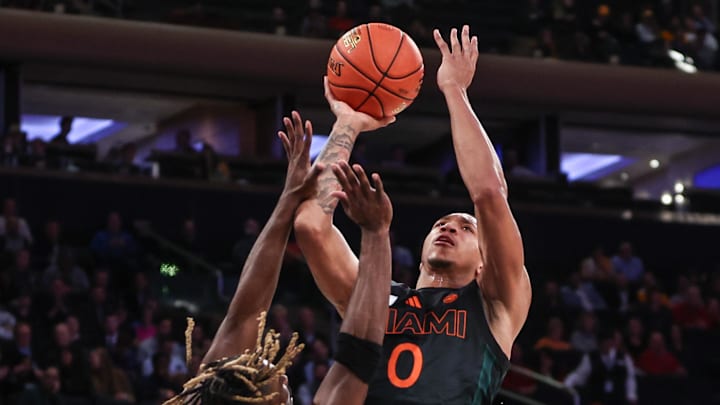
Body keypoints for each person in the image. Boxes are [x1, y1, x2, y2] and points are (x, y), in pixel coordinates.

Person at [293, 25, 532, 403]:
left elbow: (488, 193)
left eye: (465, 228)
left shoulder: (496, 303)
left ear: (485, 262)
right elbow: (310, 227)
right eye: (441, 223)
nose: (449, 228)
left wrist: (455, 90)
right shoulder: (374, 297)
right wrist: (348, 124)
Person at [166, 110, 394, 404]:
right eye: (263, 368)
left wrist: (290, 197)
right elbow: (356, 358)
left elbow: (247, 311)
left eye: (260, 368)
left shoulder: (211, 393)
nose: (281, 372)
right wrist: (375, 233)